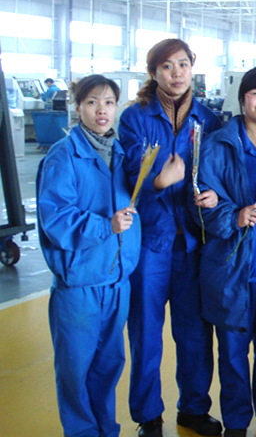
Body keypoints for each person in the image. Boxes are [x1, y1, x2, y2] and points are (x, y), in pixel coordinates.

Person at [118, 38, 222, 437]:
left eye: (182, 64)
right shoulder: (135, 118)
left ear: (192, 67)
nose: (176, 73)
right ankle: (148, 415)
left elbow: (217, 174)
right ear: (153, 73)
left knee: (195, 334)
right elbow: (130, 173)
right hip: (151, 242)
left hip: (193, 243)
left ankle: (193, 409)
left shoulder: (208, 121)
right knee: (145, 333)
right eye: (166, 66)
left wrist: (215, 196)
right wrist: (158, 182)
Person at [37, 74, 140, 437]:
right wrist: (104, 226)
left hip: (116, 279)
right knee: (75, 368)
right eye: (92, 102)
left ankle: (105, 430)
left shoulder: (121, 153)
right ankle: (81, 432)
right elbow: (55, 218)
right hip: (80, 283)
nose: (101, 110)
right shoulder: (63, 156)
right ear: (77, 106)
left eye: (109, 102)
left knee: (109, 364)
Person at [194, 66, 256, 437]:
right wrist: (232, 216)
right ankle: (236, 422)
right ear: (242, 100)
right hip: (232, 269)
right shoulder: (217, 146)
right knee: (233, 353)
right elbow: (199, 204)